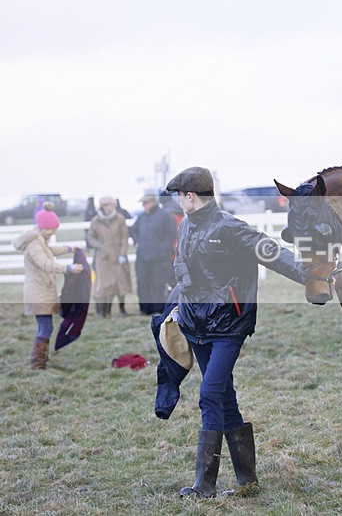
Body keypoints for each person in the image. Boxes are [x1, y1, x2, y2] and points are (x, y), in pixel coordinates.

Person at [166, 166, 305, 498]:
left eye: (179, 196)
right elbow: (186, 272)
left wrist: (307, 275)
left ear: (190, 196)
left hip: (228, 327)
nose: (178, 202)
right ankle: (248, 482)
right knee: (224, 397)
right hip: (195, 326)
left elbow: (269, 251)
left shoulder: (228, 227)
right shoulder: (186, 225)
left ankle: (204, 485)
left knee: (209, 394)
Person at [12, 202, 84, 369]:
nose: (54, 232)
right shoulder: (34, 244)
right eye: (52, 229)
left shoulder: (39, 239)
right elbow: (45, 263)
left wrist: (68, 248)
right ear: (43, 227)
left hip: (42, 290)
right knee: (46, 326)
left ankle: (41, 359)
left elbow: (49, 251)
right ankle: (37, 362)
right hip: (38, 292)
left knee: (47, 326)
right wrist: (68, 268)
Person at [129, 194, 178, 315]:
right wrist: (136, 242)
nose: (144, 205)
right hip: (143, 257)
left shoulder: (165, 215)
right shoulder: (141, 217)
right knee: (143, 282)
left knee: (158, 283)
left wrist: (164, 249)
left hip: (160, 258)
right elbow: (132, 230)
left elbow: (171, 234)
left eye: (145, 203)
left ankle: (158, 308)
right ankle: (145, 309)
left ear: (153, 202)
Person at [88, 196, 133, 317]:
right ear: (103, 206)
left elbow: (124, 237)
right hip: (103, 258)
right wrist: (100, 245)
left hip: (118, 255)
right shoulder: (96, 221)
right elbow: (90, 238)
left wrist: (123, 254)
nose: (111, 207)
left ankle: (122, 309)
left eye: (113, 205)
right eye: (108, 205)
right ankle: (102, 311)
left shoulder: (120, 219)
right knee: (103, 284)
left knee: (120, 284)